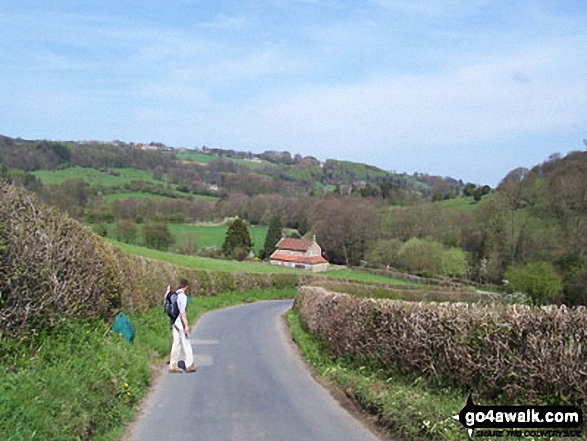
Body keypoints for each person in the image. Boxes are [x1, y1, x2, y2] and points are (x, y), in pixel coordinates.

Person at [166, 278, 197, 373]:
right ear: (186, 286)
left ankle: (173, 365)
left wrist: (167, 292)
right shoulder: (183, 297)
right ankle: (189, 364)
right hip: (180, 322)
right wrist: (186, 326)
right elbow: (182, 313)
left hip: (173, 322)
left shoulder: (173, 295)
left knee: (176, 343)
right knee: (186, 342)